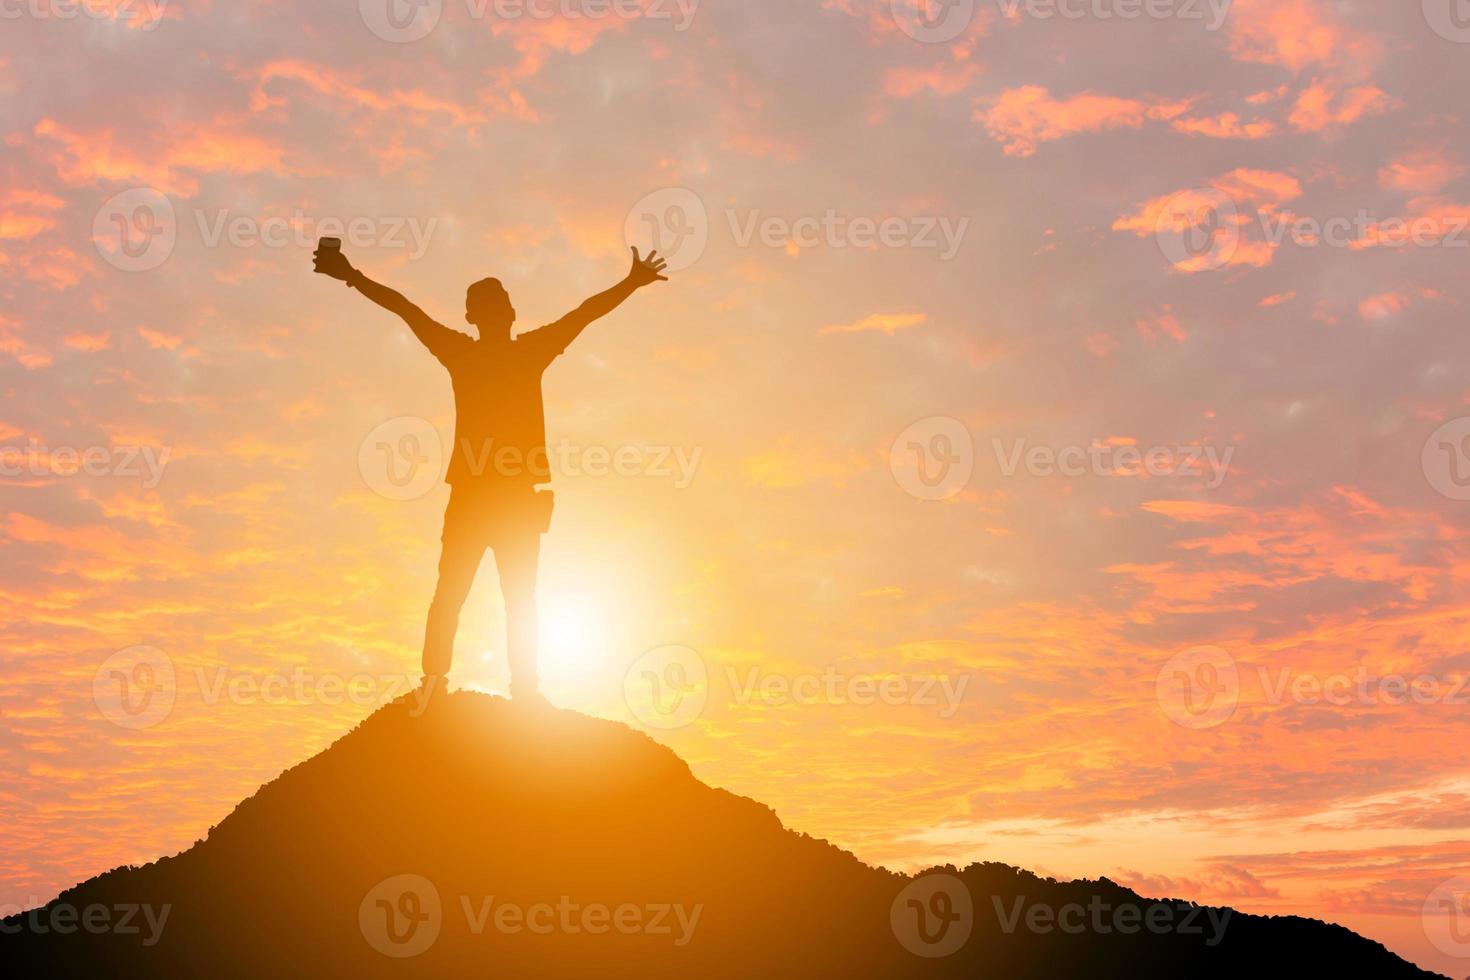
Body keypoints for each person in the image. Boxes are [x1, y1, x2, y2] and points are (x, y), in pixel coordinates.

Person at [313, 243, 670, 702]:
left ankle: (517, 689)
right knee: (460, 592)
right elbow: (404, 308)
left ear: (507, 313)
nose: (495, 312)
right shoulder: (480, 353)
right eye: (487, 306)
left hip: (512, 497)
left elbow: (584, 314)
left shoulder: (505, 352)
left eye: (497, 304)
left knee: (512, 597)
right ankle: (440, 683)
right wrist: (351, 275)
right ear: (478, 317)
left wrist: (629, 283)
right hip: (478, 495)